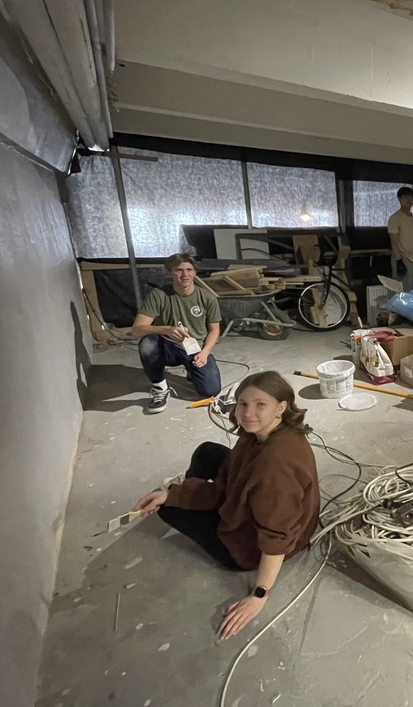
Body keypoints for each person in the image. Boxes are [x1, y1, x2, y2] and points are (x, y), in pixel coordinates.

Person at [132, 371, 320, 640]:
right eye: (243, 403)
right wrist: (173, 492)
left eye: (260, 405)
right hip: (264, 502)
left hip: (251, 547)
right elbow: (229, 484)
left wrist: (259, 595)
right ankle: (192, 495)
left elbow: (276, 538)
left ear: (281, 407)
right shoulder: (262, 432)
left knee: (169, 508)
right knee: (208, 452)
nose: (248, 413)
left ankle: (193, 501)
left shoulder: (275, 469)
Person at [131, 253, 222, 413]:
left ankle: (191, 371)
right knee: (147, 343)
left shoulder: (207, 298)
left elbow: (214, 329)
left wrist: (205, 353)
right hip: (168, 347)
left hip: (195, 349)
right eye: (179, 270)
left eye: (189, 269)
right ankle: (160, 388)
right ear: (169, 273)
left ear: (195, 272)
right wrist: (166, 329)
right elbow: (137, 328)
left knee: (211, 391)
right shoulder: (159, 295)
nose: (185, 274)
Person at [387, 186, 413, 291]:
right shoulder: (395, 218)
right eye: (406, 197)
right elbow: (393, 241)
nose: (409, 200)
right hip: (402, 259)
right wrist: (399, 261)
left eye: (411, 197)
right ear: (399, 199)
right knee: (402, 291)